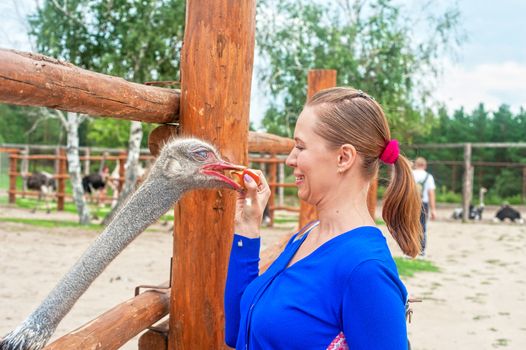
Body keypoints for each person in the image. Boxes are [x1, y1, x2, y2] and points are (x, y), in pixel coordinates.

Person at [224, 87, 422, 349]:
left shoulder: (366, 269)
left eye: (300, 147)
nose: (290, 160)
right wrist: (247, 229)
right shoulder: (308, 235)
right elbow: (238, 330)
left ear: (343, 157)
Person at [412, 157, 436, 256]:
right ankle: (421, 251)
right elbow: (431, 193)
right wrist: (433, 209)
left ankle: (409, 251)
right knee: (422, 227)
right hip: (423, 204)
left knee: (410, 226)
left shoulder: (410, 174)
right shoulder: (428, 177)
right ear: (425, 166)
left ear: (415, 164)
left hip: (411, 203)